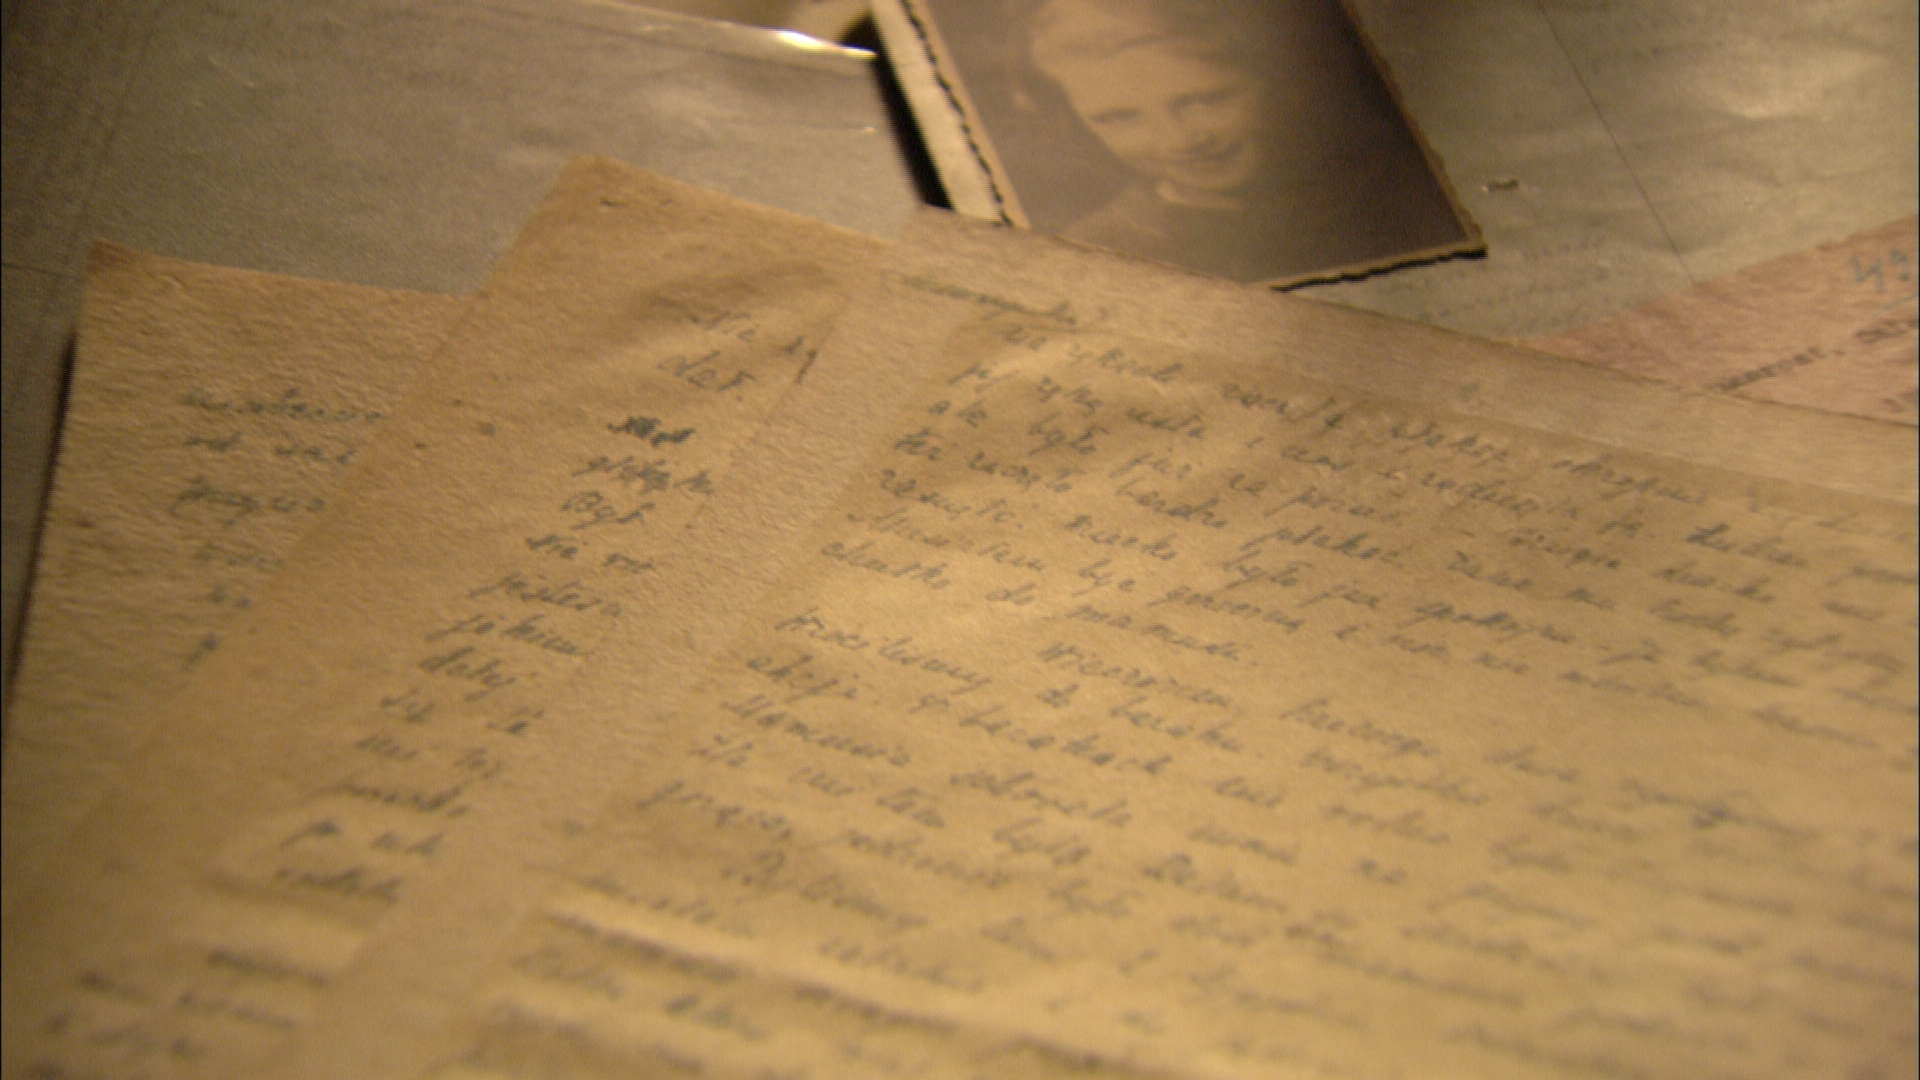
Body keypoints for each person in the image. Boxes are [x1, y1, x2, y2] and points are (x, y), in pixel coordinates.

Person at [1016, 0, 1465, 283]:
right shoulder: (1093, 253)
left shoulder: (1407, 191)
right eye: (1120, 118)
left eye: (1205, 99)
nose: (1180, 140)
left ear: (1276, 80)